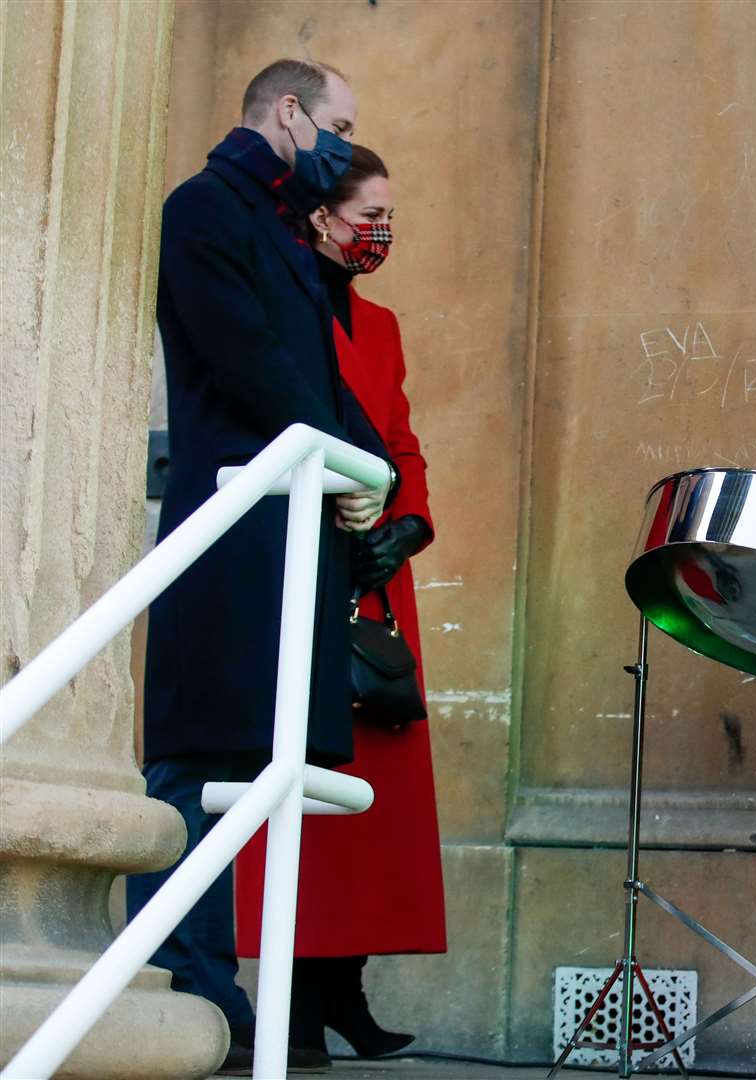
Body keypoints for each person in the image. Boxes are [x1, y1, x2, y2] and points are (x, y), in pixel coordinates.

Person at [126, 58, 394, 1076]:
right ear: (288, 113)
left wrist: (363, 464)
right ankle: (185, 978)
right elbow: (248, 363)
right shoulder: (203, 210)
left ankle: (216, 981)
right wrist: (345, 455)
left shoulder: (278, 224)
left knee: (244, 761)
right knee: (196, 758)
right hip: (230, 525)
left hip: (285, 527)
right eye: (339, 122)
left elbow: (316, 367)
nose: (343, 140)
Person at [233, 144, 446, 1066]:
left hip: (375, 576)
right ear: (319, 218)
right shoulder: (278, 312)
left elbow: (402, 440)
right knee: (299, 780)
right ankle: (290, 997)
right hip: (302, 563)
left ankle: (343, 991)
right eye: (369, 215)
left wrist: (412, 523)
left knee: (376, 792)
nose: (382, 232)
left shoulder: (385, 325)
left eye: (390, 216)